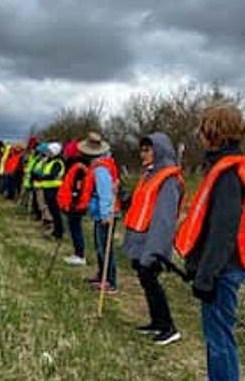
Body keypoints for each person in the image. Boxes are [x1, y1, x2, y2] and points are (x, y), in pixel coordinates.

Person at [174, 104, 245, 381]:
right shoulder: (222, 166)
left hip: (225, 268)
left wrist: (207, 275)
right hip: (219, 266)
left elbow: (223, 232)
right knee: (214, 335)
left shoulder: (228, 173)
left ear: (214, 133)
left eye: (203, 129)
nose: (199, 135)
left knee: (220, 338)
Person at [123, 133, 184, 345]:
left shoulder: (168, 180)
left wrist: (153, 251)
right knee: (146, 281)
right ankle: (157, 322)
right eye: (142, 149)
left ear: (159, 150)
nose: (143, 154)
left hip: (152, 243)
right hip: (141, 240)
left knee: (151, 280)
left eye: (147, 149)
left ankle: (168, 327)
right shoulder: (149, 175)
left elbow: (164, 219)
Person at [78, 132, 120, 294]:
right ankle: (102, 275)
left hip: (106, 215)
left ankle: (110, 281)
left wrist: (105, 215)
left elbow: (105, 194)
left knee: (105, 248)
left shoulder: (101, 169)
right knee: (99, 246)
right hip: (101, 213)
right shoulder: (99, 166)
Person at [57, 138, 88, 265]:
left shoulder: (79, 167)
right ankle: (77, 252)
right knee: (73, 227)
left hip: (76, 204)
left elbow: (78, 186)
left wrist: (74, 201)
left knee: (76, 228)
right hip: (73, 203)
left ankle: (80, 255)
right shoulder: (74, 165)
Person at [32, 142, 65, 240]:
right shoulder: (49, 161)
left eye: (50, 151)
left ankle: (58, 232)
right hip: (47, 188)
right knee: (51, 210)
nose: (48, 153)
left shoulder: (57, 162)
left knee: (55, 212)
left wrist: (40, 177)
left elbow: (52, 175)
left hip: (54, 189)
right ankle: (55, 230)